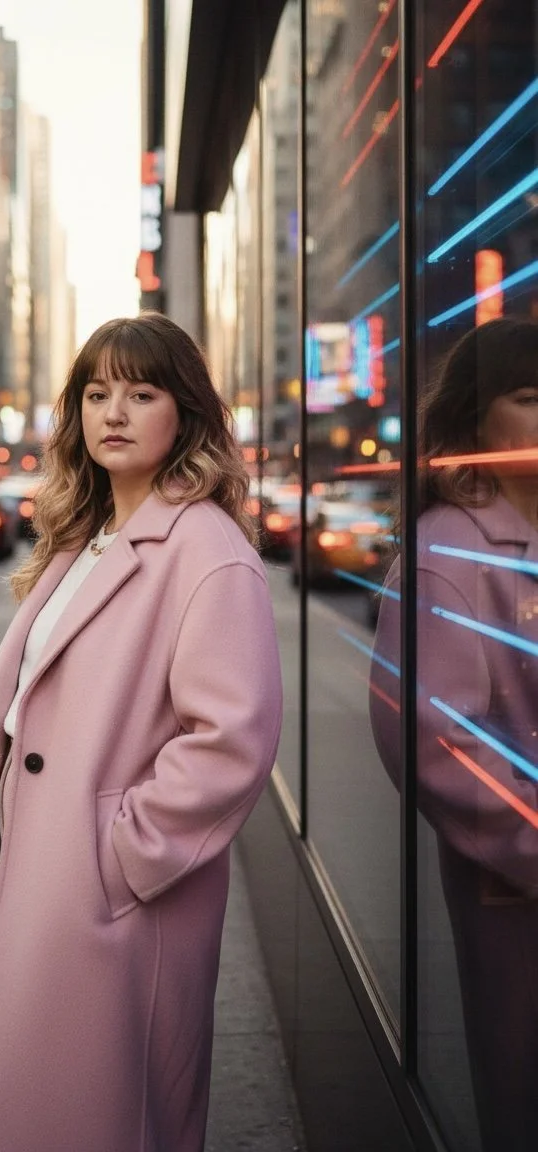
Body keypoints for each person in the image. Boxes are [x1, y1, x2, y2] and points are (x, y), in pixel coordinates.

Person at [0, 313, 282, 1152]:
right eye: (96, 392)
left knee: (101, 1117)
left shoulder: (206, 550)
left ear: (185, 413)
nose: (114, 411)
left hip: (108, 904)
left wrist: (121, 856)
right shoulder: (83, 538)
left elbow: (231, 739)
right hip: (33, 872)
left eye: (141, 392)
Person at [369, 317, 538, 1152]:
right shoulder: (450, 552)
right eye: (531, 398)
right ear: (478, 420)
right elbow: (437, 742)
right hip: (518, 893)